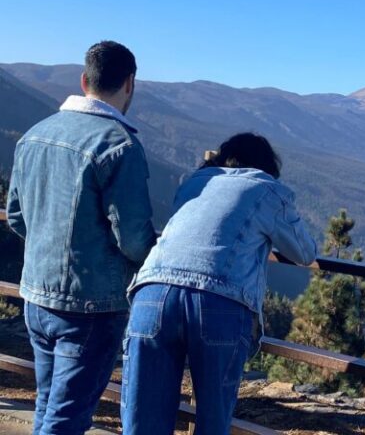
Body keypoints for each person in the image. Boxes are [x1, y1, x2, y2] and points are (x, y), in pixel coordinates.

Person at [120, 132, 317, 435]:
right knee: (212, 421)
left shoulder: (196, 181)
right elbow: (304, 252)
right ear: (267, 165)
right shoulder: (266, 188)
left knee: (143, 421)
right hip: (219, 303)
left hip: (152, 293)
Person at [6, 40, 157, 435]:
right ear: (129, 84)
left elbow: (18, 217)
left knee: (48, 405)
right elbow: (135, 239)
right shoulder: (119, 145)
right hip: (92, 305)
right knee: (67, 418)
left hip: (36, 294)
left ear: (83, 79)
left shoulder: (35, 135)